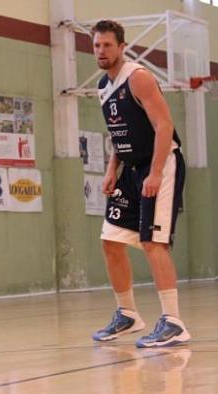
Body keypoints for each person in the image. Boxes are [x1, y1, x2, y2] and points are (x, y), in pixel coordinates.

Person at [90, 21, 190, 347]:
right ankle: (128, 314)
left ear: (121, 47)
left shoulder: (139, 77)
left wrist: (157, 172)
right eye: (96, 46)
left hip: (159, 163)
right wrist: (111, 170)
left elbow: (164, 125)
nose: (101, 51)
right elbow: (120, 134)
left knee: (152, 242)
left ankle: (173, 322)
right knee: (110, 240)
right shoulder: (104, 87)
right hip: (130, 170)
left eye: (107, 45)